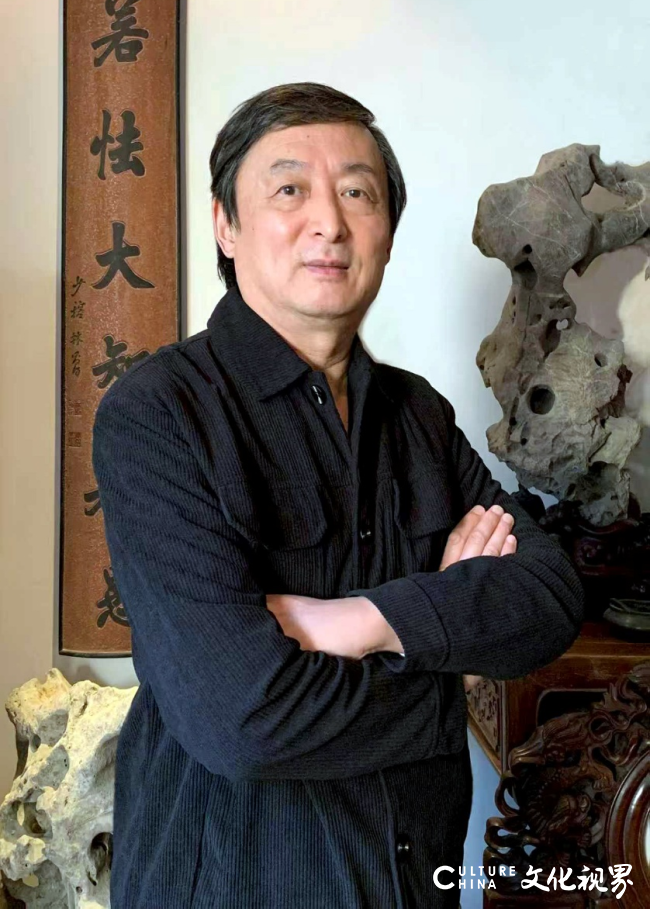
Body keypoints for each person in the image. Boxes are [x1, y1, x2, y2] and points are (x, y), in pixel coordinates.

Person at [92, 82, 585, 909]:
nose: (329, 221)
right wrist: (449, 672)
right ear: (225, 225)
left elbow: (548, 598)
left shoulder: (418, 414)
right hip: (236, 884)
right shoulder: (159, 414)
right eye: (290, 189)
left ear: (387, 230)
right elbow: (243, 721)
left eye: (358, 193)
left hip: (413, 879)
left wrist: (360, 621)